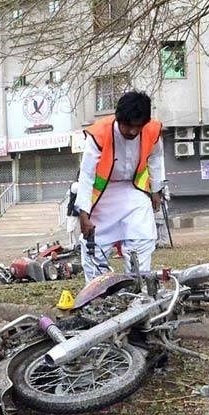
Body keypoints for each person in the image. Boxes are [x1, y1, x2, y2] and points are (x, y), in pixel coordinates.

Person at [75, 91, 164, 282]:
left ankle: (137, 286)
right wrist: (83, 212)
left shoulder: (151, 129)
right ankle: (97, 291)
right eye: (128, 126)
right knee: (95, 248)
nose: (133, 132)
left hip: (135, 191)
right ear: (118, 119)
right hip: (103, 196)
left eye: (138, 127)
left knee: (142, 239)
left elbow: (156, 158)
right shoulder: (99, 134)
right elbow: (86, 175)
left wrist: (156, 189)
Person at [155, 183, 172, 249]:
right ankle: (156, 242)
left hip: (162, 208)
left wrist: (163, 196)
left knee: (163, 226)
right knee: (155, 226)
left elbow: (168, 198)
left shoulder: (165, 187)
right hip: (154, 208)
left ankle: (164, 242)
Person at [65, 173, 80, 245]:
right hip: (73, 210)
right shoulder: (76, 185)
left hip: (79, 211)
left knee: (78, 228)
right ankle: (73, 244)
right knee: (71, 228)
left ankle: (77, 244)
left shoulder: (78, 185)